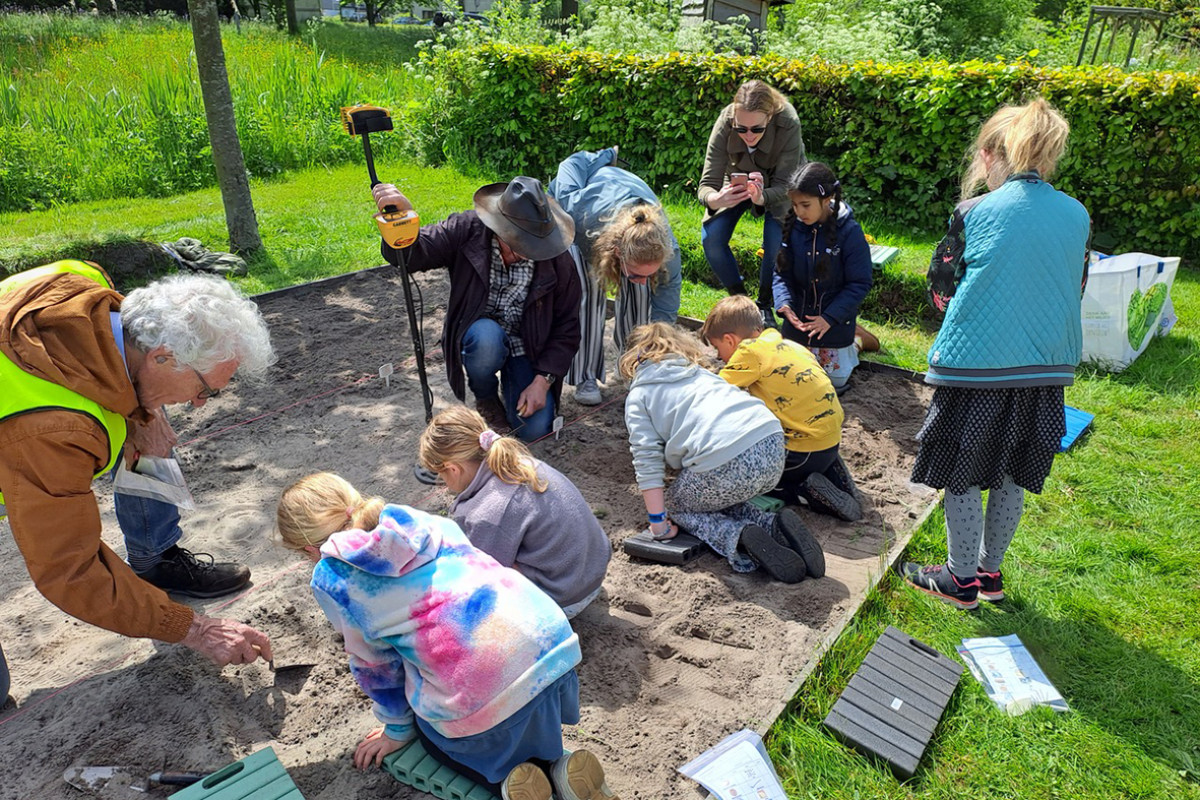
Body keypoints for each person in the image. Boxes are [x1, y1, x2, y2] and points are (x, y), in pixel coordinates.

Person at [0, 263, 277, 684]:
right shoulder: (52, 430)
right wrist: (195, 628)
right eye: (205, 390)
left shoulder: (81, 284)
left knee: (149, 428)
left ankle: (154, 559)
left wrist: (141, 412)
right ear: (161, 356)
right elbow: (70, 570)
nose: (201, 404)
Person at [275, 473, 621, 800]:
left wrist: (396, 729)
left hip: (487, 691)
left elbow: (374, 664)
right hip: (552, 649)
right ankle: (560, 768)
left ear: (307, 549)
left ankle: (508, 782)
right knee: (508, 697)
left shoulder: (333, 577)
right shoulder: (414, 520)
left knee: (430, 734)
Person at [900, 98, 1090, 610]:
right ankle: (989, 573)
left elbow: (941, 290)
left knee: (962, 471)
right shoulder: (1077, 215)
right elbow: (1076, 287)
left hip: (976, 368)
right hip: (1047, 369)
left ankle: (959, 580)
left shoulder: (974, 211)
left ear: (988, 156)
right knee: (1011, 470)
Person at [372, 178, 581, 443]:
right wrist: (401, 222)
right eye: (519, 245)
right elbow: (415, 255)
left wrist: (542, 381)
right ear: (499, 229)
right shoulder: (468, 229)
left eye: (533, 245)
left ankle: (515, 382)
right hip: (481, 335)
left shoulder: (558, 261)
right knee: (486, 340)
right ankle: (485, 395)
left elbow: (568, 328)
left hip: (528, 345)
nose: (527, 253)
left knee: (535, 430)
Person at [619, 322, 825, 583]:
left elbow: (646, 460)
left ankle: (737, 535)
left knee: (677, 503)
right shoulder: (701, 374)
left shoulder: (639, 395)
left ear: (631, 360)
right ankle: (771, 525)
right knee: (718, 493)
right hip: (772, 444)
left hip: (726, 458)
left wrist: (659, 523)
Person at [417, 405, 611, 619]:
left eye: (440, 475)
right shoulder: (519, 463)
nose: (442, 481)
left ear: (453, 468)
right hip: (592, 573)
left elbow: (481, 576)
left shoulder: (488, 512)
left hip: (564, 598)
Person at [701, 295, 862, 522]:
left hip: (800, 452)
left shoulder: (749, 352)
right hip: (830, 442)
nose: (719, 357)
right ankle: (832, 475)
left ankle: (804, 491)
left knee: (757, 483)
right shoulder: (789, 345)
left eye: (718, 349)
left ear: (729, 340)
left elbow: (714, 393)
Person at [548, 147, 683, 407]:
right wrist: (604, 155)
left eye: (649, 273)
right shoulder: (579, 211)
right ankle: (585, 376)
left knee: (641, 296)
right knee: (586, 295)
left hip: (629, 195)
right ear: (618, 254)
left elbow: (665, 310)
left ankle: (633, 368)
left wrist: (657, 344)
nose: (643, 279)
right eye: (634, 272)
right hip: (585, 222)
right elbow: (569, 165)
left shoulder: (668, 251)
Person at [698, 80, 806, 326]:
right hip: (737, 178)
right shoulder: (726, 119)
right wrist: (715, 199)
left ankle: (765, 304)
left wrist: (762, 197)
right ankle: (742, 302)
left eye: (756, 129)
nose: (748, 136)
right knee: (711, 238)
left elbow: (787, 182)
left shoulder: (788, 121)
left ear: (770, 116)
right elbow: (706, 183)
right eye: (741, 129)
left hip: (780, 186)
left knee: (776, 242)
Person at [772, 162, 873, 393]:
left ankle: (857, 342)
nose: (799, 212)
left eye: (805, 205)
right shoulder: (792, 228)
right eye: (795, 205)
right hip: (797, 325)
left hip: (834, 326)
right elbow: (781, 274)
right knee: (788, 375)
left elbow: (860, 283)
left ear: (827, 199)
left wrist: (829, 318)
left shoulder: (850, 233)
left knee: (833, 382)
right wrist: (784, 306)